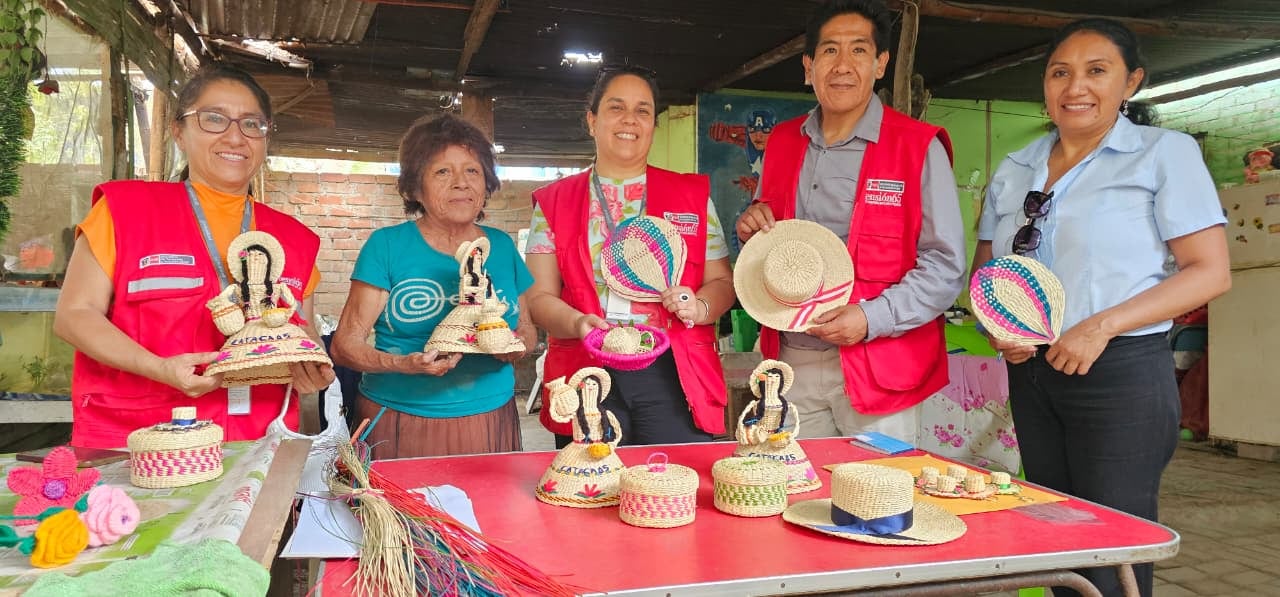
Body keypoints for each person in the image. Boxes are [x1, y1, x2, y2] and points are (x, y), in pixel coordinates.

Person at [973, 18, 1230, 597]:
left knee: (1115, 542)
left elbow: (1210, 272)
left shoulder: (1164, 154)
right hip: (1032, 371)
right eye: (1060, 72)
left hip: (1120, 370)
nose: (1075, 87)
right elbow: (990, 270)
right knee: (1057, 533)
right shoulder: (1016, 168)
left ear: (1131, 82)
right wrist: (1000, 327)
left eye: (1097, 71)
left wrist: (1101, 326)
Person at [54, 64, 334, 449]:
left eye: (252, 124)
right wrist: (158, 368)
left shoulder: (294, 238)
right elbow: (74, 316)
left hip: (258, 441)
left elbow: (307, 336)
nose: (235, 137)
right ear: (178, 132)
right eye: (214, 119)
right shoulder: (125, 211)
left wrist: (312, 369)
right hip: (136, 440)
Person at [735, 0, 966, 443]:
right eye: (829, 51)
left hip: (879, 364)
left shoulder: (916, 147)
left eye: (858, 51)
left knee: (876, 502)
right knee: (789, 493)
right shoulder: (782, 142)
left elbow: (945, 265)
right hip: (790, 362)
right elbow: (771, 242)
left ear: (881, 64)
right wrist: (751, 226)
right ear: (809, 66)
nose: (842, 65)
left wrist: (871, 317)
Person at [526, 65, 734, 447]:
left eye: (643, 111)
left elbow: (722, 282)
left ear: (654, 124)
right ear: (592, 120)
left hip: (675, 371)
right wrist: (577, 323)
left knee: (671, 493)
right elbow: (538, 298)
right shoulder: (553, 202)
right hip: (587, 371)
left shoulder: (691, 196)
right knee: (591, 490)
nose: (630, 120)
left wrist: (699, 307)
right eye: (616, 107)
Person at [330, 114, 534, 459]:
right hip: (399, 417)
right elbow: (344, 346)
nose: (461, 183)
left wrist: (515, 348)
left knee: (486, 511)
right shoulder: (387, 246)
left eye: (472, 171)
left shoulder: (501, 246)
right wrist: (405, 364)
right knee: (401, 513)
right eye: (442, 172)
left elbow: (526, 327)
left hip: (492, 417)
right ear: (414, 188)